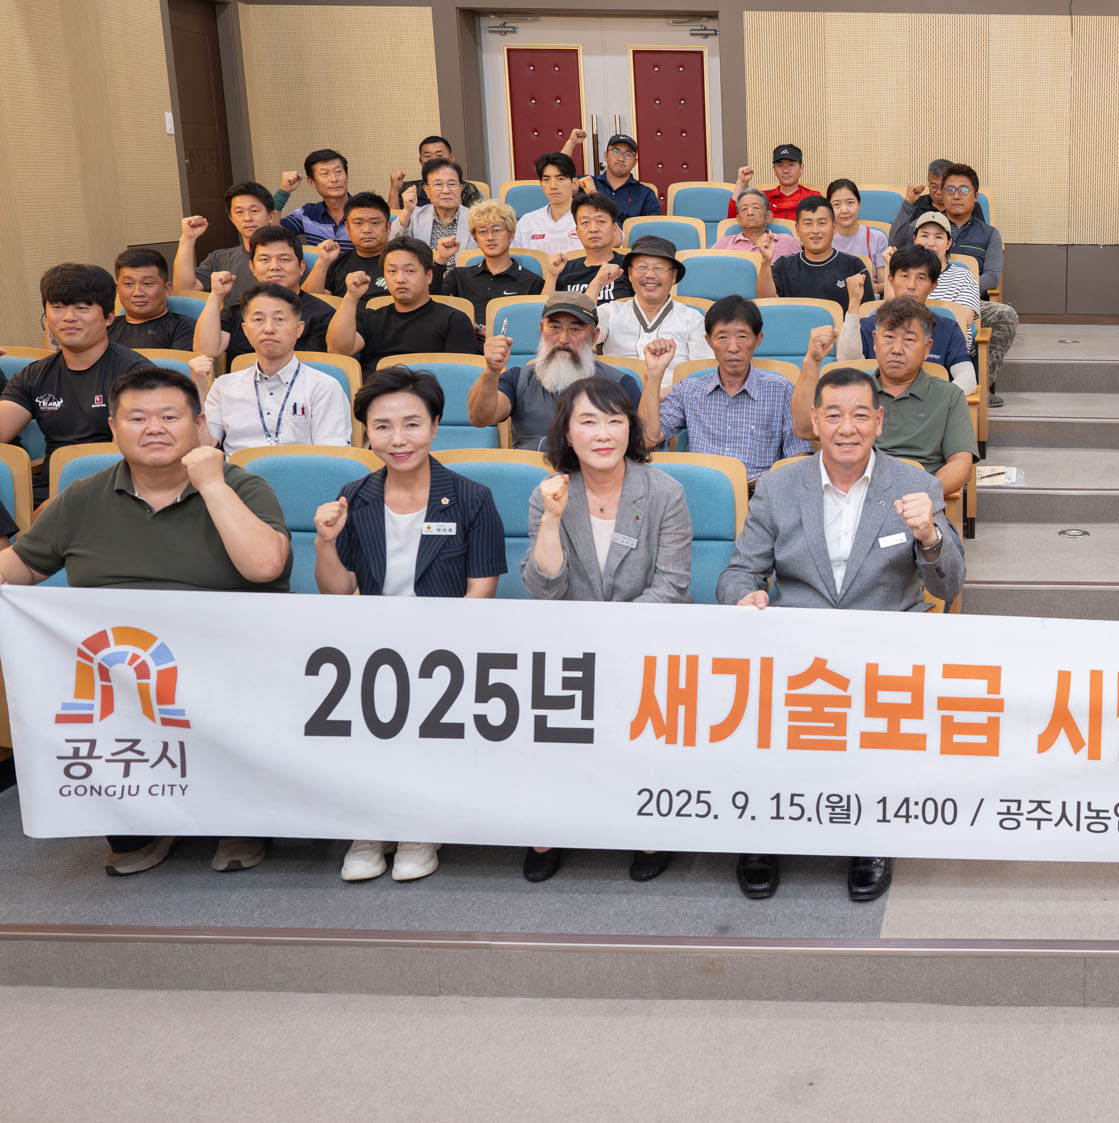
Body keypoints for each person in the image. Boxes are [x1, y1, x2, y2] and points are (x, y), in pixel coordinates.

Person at [0, 366, 291, 876]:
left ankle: (241, 821)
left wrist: (211, 484)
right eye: (137, 418)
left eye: (169, 417)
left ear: (199, 425)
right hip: (120, 680)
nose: (153, 428)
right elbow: (20, 568)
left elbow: (265, 566)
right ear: (114, 428)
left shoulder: (243, 487)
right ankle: (150, 821)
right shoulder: (83, 496)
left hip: (228, 670)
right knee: (126, 825)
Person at [716, 365, 964, 902]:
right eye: (833, 415)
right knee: (757, 704)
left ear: (879, 421)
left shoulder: (917, 485)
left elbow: (948, 585)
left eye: (859, 415)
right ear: (814, 421)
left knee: (881, 716)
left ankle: (870, 837)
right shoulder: (779, 486)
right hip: (799, 645)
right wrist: (744, 595)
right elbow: (739, 571)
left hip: (885, 648)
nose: (846, 428)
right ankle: (763, 832)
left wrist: (929, 535)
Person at [313, 365, 505, 883]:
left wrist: (443, 649)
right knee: (364, 723)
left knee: (425, 723)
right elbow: (337, 591)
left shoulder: (472, 498)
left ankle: (421, 826)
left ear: (435, 426)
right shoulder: (354, 495)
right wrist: (326, 543)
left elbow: (481, 594)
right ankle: (369, 827)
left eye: (412, 424)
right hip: (371, 644)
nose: (398, 439)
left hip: (448, 648)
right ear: (367, 432)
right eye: (383, 426)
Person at [520, 375, 694, 884]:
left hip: (647, 643)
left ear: (630, 429)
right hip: (570, 647)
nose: (603, 433)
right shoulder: (549, 493)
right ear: (566, 433)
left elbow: (672, 585)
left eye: (615, 421)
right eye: (588, 421)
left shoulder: (664, 492)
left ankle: (647, 826)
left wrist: (612, 639)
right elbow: (545, 589)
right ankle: (551, 826)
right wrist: (551, 520)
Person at [796, 300, 975, 500]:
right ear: (875, 341)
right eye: (889, 337)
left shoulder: (949, 395)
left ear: (927, 348)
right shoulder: (849, 390)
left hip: (915, 499)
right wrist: (812, 361)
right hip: (850, 495)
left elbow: (961, 462)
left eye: (909, 340)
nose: (897, 349)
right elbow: (804, 429)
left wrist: (926, 494)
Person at [0, 265, 151, 474]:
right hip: (50, 484)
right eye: (58, 307)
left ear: (109, 317)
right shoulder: (33, 375)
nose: (68, 317)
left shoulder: (137, 374)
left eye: (82, 308)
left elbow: (128, 459)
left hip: (109, 483)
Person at [644, 295, 810, 469]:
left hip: (760, 484)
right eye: (722, 337)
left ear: (758, 340)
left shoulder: (781, 390)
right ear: (709, 341)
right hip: (703, 483)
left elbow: (799, 455)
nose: (733, 348)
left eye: (742, 336)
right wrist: (654, 375)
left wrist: (770, 482)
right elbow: (649, 439)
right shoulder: (687, 390)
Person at [469, 293, 642, 452]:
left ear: (594, 336)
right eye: (554, 327)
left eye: (575, 329)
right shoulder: (518, 379)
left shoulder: (620, 384)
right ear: (541, 329)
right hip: (532, 474)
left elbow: (637, 448)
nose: (563, 339)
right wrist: (491, 371)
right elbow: (480, 418)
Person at [196, 284, 354, 451]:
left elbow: (331, 455)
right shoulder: (223, 387)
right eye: (258, 320)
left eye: (279, 319)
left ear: (299, 329)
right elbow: (204, 447)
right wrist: (199, 390)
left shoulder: (324, 388)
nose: (269, 329)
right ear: (245, 330)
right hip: (235, 468)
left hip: (302, 468)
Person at [327, 237, 480, 374]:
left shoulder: (454, 321)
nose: (400, 279)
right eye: (392, 271)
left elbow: (457, 378)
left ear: (428, 276)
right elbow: (337, 350)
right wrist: (351, 297)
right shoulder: (371, 318)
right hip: (373, 392)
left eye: (410, 270)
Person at [193, 225, 334, 361]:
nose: (274, 267)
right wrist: (216, 296)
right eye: (264, 260)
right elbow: (205, 351)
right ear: (252, 267)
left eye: (284, 259)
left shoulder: (322, 314)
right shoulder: (237, 311)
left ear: (301, 267)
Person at [848, 245, 976, 388]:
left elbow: (968, 377)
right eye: (904, 276)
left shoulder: (948, 328)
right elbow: (847, 365)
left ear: (933, 286)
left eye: (921, 278)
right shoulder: (867, 326)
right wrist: (854, 304)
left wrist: (940, 398)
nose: (911, 285)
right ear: (891, 280)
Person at [599, 236, 706, 386]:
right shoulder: (611, 312)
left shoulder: (693, 319)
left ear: (673, 276)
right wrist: (597, 283)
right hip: (615, 396)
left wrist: (659, 396)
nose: (650, 275)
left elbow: (702, 376)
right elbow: (579, 333)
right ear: (630, 274)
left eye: (659, 268)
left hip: (671, 397)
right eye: (642, 267)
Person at [440, 199, 545, 322]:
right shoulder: (459, 276)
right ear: (476, 238)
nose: (490, 237)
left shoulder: (532, 282)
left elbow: (534, 323)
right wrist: (441, 260)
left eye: (497, 230)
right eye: (483, 231)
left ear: (511, 235)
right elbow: (433, 303)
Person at [770, 195, 874, 310]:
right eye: (808, 224)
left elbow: (867, 313)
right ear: (797, 229)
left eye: (822, 223)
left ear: (834, 227)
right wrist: (765, 262)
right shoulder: (782, 266)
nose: (815, 231)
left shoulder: (854, 266)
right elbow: (767, 303)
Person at [174, 182, 277, 298]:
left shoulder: (288, 255)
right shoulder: (219, 259)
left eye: (254, 211)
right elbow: (185, 291)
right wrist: (188, 238)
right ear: (231, 218)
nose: (247, 218)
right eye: (239, 212)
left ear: (270, 216)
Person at [304, 192, 395, 298]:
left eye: (374, 223)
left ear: (388, 227)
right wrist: (322, 262)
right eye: (358, 223)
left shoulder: (403, 263)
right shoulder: (337, 264)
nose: (366, 230)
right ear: (347, 228)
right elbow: (309, 303)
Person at [550, 192, 632, 305]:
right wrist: (552, 277)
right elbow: (544, 310)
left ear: (614, 229)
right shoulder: (565, 269)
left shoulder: (629, 265)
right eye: (585, 222)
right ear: (577, 231)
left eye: (601, 221)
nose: (593, 229)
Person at [911, 212, 982, 339]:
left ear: (948, 243)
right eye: (924, 235)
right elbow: (893, 313)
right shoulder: (905, 274)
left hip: (950, 343)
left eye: (938, 237)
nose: (930, 243)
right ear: (914, 239)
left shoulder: (963, 276)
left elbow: (964, 318)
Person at [938, 163, 1005, 297]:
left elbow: (992, 277)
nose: (956, 196)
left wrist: (961, 289)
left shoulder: (990, 234)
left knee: (1006, 310)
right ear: (943, 195)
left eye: (963, 190)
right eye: (950, 190)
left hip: (972, 299)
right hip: (933, 298)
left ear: (975, 196)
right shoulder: (926, 228)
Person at [392, 157, 474, 267]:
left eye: (452, 184)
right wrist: (407, 211)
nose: (446, 191)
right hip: (424, 276)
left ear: (460, 188)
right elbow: (392, 246)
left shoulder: (475, 219)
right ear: (427, 190)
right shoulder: (415, 216)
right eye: (438, 185)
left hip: (463, 277)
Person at [109, 247, 186, 350]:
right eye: (128, 284)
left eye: (147, 284)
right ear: (117, 289)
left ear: (167, 289)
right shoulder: (104, 328)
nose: (137, 293)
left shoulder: (184, 328)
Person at [279, 148, 354, 247]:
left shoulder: (366, 211)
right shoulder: (307, 214)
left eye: (338, 171)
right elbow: (273, 234)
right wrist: (284, 191)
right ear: (312, 182)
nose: (334, 179)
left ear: (347, 176)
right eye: (325, 174)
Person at [513, 151, 583, 255]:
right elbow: (516, 259)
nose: (553, 186)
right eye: (546, 180)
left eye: (560, 179)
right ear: (541, 184)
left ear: (574, 183)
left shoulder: (588, 219)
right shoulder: (527, 222)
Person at [390, 135, 482, 211]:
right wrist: (394, 189)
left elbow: (477, 220)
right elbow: (393, 222)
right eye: (428, 156)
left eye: (439, 155)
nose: (434, 160)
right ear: (420, 161)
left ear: (451, 158)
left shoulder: (467, 188)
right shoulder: (408, 188)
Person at [829, 178, 890, 282]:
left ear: (859, 204)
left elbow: (883, 285)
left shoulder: (877, 238)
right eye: (837, 204)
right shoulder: (823, 239)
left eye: (850, 202)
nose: (844, 210)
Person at [715, 187, 800, 262]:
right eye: (744, 209)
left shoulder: (787, 242)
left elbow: (802, 270)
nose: (750, 213)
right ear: (739, 219)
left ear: (768, 216)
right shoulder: (723, 243)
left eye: (756, 208)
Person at [593, 133, 662, 223]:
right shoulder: (588, 184)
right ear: (606, 156)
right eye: (616, 152)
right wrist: (574, 143)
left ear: (635, 162)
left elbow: (651, 228)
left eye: (628, 154)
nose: (621, 158)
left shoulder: (646, 195)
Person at [886, 158, 954, 247]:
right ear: (928, 181)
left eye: (943, 187)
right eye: (934, 186)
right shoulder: (917, 204)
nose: (938, 192)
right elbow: (895, 244)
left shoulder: (961, 207)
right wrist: (908, 203)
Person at [739, 144, 816, 222]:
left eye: (791, 165)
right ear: (774, 170)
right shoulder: (762, 198)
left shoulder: (814, 197)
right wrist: (741, 182)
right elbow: (736, 218)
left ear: (801, 168)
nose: (785, 170)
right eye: (780, 165)